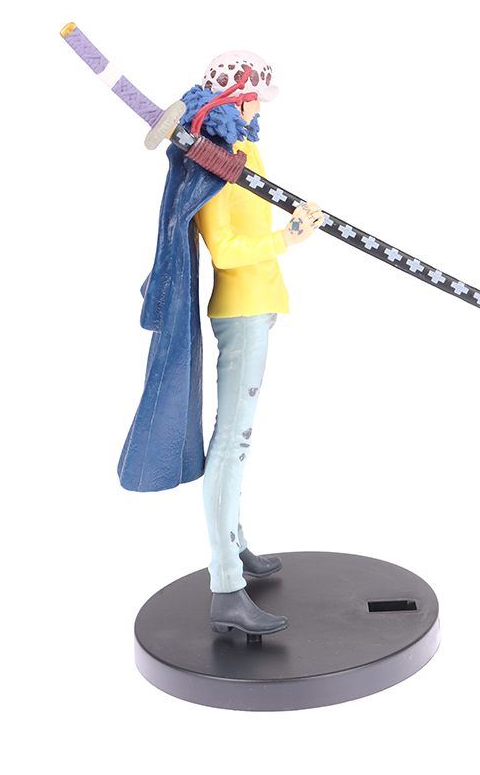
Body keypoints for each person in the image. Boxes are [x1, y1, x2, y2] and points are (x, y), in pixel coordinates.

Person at [117, 51, 323, 637]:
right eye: (254, 99)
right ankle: (226, 587)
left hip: (262, 302)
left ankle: (236, 544)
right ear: (237, 101)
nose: (260, 109)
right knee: (231, 445)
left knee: (237, 442)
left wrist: (288, 219)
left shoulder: (243, 152)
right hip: (242, 310)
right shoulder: (212, 163)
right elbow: (226, 249)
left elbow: (252, 215)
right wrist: (287, 238)